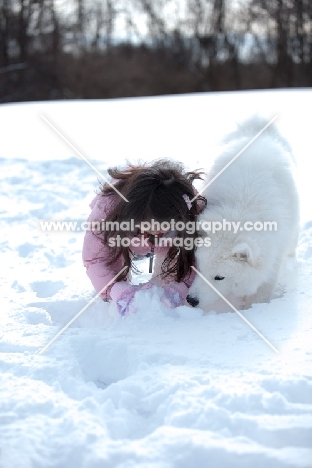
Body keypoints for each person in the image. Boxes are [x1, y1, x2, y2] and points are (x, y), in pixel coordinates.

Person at [82, 159, 206, 315]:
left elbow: (200, 257)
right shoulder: (108, 210)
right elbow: (96, 259)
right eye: (150, 227)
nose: (155, 233)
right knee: (115, 268)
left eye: (164, 228)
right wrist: (117, 290)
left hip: (173, 239)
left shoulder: (190, 206)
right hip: (124, 232)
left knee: (175, 266)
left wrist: (181, 287)